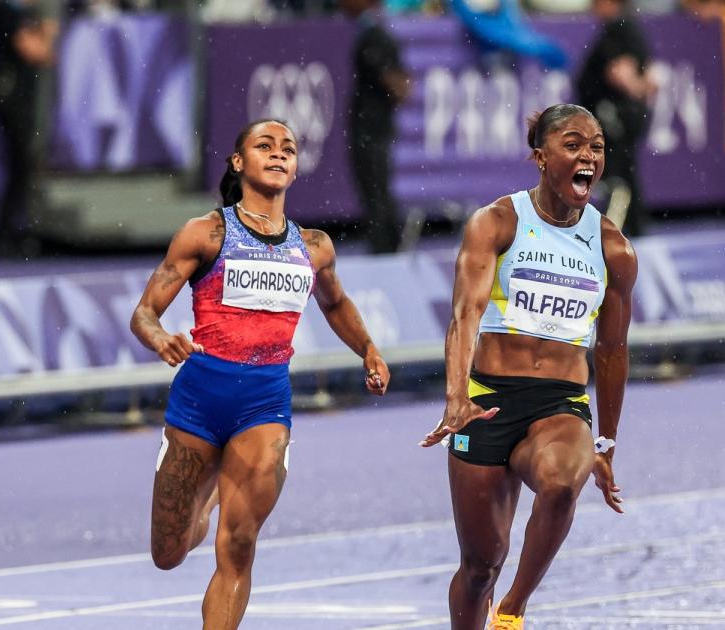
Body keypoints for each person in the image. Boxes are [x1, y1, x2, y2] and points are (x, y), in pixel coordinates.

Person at [129, 119, 391, 629]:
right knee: (169, 551)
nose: (278, 154)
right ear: (238, 162)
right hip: (199, 401)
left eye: (287, 148)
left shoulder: (313, 246)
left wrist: (368, 349)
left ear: (295, 167)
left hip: (265, 405)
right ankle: (205, 497)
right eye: (264, 146)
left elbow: (335, 304)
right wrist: (161, 338)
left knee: (240, 545)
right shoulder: (205, 233)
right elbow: (144, 312)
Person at [419, 104, 637, 630]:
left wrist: (605, 442)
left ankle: (512, 609)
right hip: (486, 400)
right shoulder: (497, 223)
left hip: (559, 404)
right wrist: (456, 396)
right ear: (541, 157)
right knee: (479, 565)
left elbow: (611, 351)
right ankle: (487, 601)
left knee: (564, 480)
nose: (588, 156)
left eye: (597, 146)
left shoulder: (613, 249)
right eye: (573, 144)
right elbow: (465, 313)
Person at [576, 0, 653, 237]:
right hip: (623, 112)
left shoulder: (619, 29)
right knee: (625, 169)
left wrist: (630, 95)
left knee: (616, 173)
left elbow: (622, 73)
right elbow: (652, 75)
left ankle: (613, 231)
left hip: (616, 114)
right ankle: (634, 225)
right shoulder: (628, 28)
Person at [0, 0, 57, 255]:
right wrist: (49, 32)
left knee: (22, 168)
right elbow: (36, 52)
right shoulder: (6, 10)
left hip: (19, 98)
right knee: (21, 165)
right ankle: (10, 234)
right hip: (13, 98)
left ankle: (14, 233)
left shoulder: (21, 12)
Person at [343, 0, 410, 254]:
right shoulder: (380, 33)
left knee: (375, 191)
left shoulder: (373, 36)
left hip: (370, 129)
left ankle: (385, 249)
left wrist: (393, 90)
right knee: (378, 190)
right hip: (376, 127)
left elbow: (398, 84)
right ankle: (389, 246)